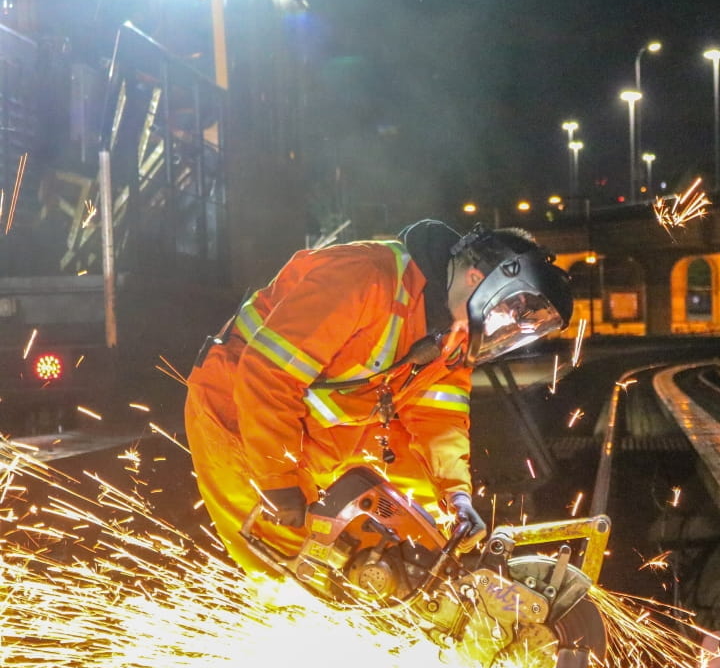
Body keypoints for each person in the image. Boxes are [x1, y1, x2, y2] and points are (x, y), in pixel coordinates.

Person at [184, 219, 573, 581]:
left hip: (328, 429)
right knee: (300, 563)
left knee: (420, 527)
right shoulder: (362, 276)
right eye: (503, 314)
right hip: (237, 413)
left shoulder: (455, 334)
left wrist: (455, 498)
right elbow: (268, 376)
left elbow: (439, 422)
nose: (499, 328)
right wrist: (278, 481)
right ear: (477, 279)